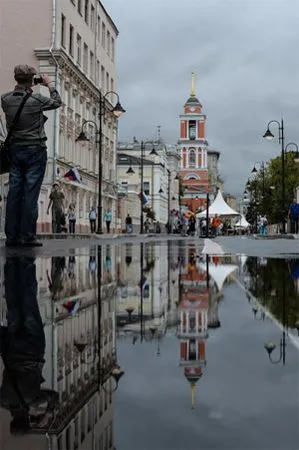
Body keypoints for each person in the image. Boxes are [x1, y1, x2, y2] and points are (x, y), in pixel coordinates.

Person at [1, 65, 62, 247]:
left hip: (14, 150)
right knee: (30, 193)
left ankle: (12, 236)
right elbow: (56, 101)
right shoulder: (36, 99)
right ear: (31, 80)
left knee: (14, 192)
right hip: (35, 150)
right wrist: (49, 84)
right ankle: (27, 235)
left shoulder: (5, 99)